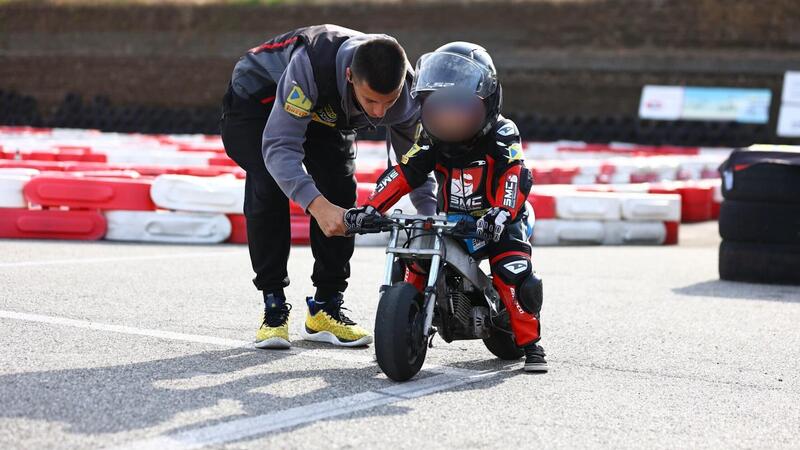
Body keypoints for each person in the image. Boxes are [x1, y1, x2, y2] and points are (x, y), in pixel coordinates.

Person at [220, 25, 437, 349]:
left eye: (387, 102)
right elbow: (280, 147)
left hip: (328, 111)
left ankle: (326, 307)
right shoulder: (311, 64)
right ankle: (274, 306)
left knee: (341, 190)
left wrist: (430, 216)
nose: (378, 114)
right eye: (371, 101)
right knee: (270, 180)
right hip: (259, 98)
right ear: (350, 76)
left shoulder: (405, 94)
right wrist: (317, 206)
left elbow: (413, 161)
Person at [345, 42, 548, 372]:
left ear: (487, 100)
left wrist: (502, 213)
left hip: (500, 219)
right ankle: (402, 329)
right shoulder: (430, 137)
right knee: (413, 254)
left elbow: (515, 173)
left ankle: (531, 345)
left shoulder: (502, 131)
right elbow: (405, 171)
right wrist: (370, 208)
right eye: (439, 106)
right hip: (452, 220)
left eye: (459, 106)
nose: (449, 116)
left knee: (512, 272)